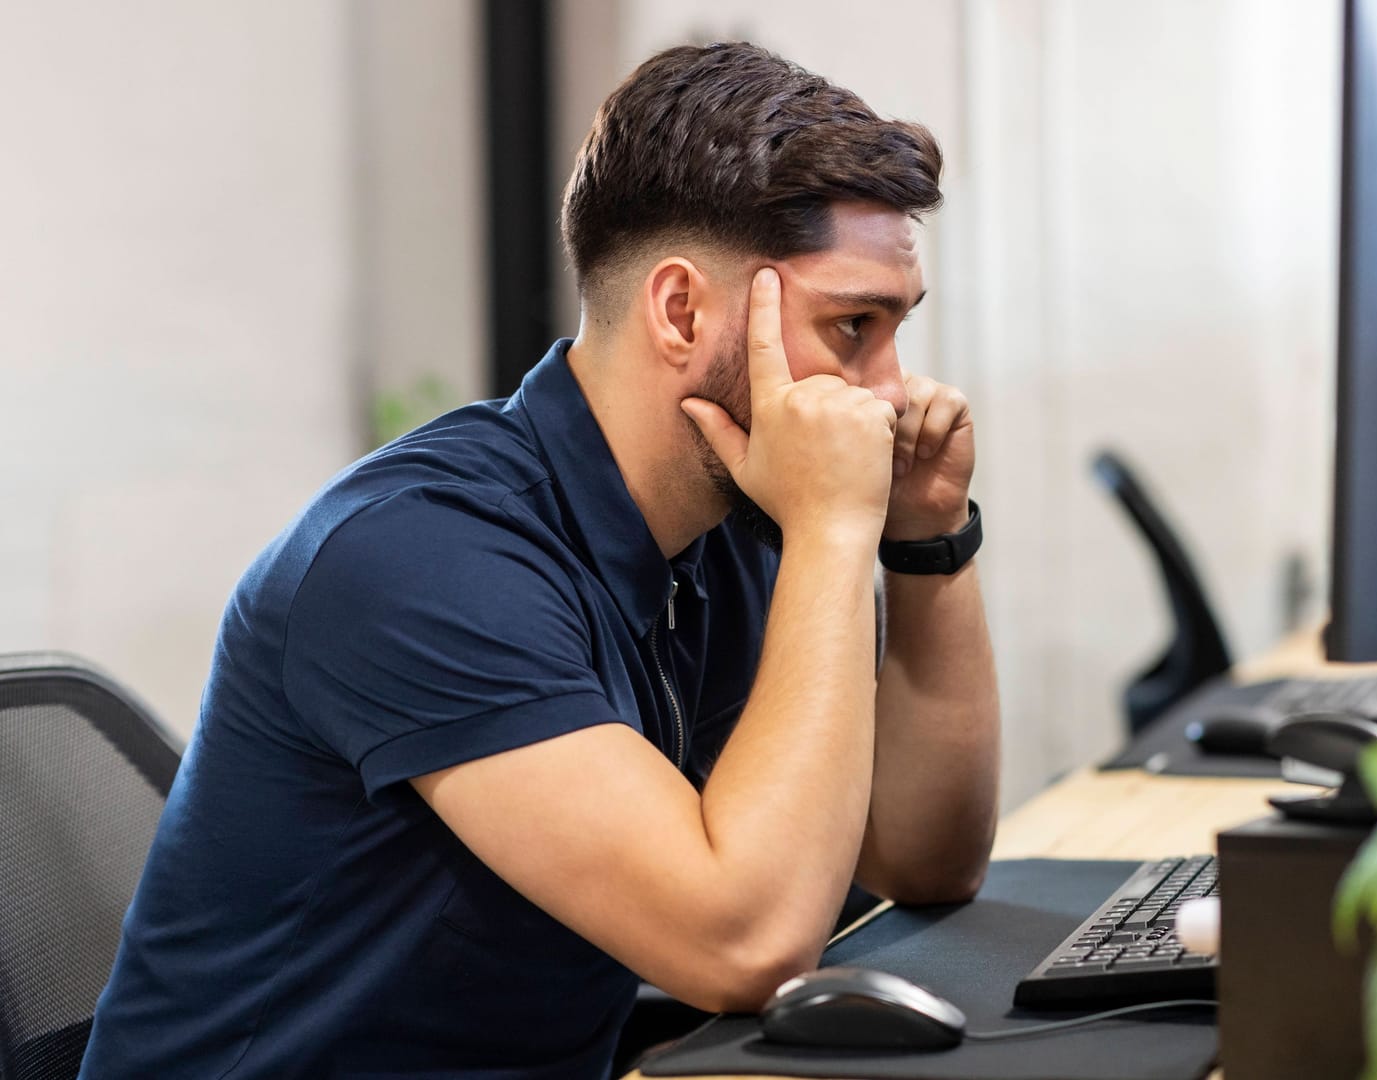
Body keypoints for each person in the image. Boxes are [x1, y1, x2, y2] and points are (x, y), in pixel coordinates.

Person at [80, 41, 1000, 1079]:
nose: (889, 391)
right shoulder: (419, 558)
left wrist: (927, 536)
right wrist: (837, 533)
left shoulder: (733, 524)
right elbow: (739, 945)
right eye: (852, 328)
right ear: (683, 310)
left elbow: (925, 860)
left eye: (896, 330)